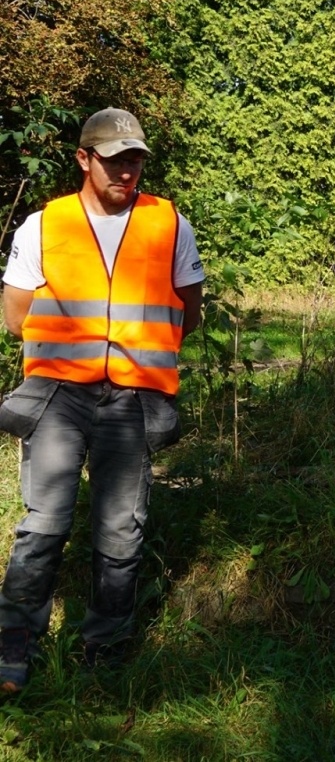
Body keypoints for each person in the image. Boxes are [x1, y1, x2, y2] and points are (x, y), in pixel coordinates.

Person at [0, 109, 205, 690]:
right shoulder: (43, 226)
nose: (126, 169)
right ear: (84, 160)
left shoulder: (170, 223)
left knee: (121, 528)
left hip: (133, 397)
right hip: (59, 394)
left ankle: (105, 654)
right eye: (114, 159)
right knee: (44, 524)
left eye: (135, 158)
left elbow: (187, 314)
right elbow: (16, 317)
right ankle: (13, 651)